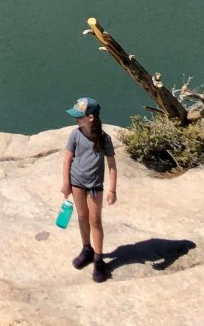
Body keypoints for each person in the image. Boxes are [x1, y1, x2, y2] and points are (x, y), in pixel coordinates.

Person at [61, 96, 117, 283]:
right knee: (82, 217)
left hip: (95, 186)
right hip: (77, 182)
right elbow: (68, 159)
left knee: (96, 221)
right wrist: (66, 183)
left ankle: (99, 260)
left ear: (91, 117)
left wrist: (112, 190)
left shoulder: (103, 138)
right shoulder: (75, 134)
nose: (76, 119)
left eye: (80, 115)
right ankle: (87, 249)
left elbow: (111, 165)